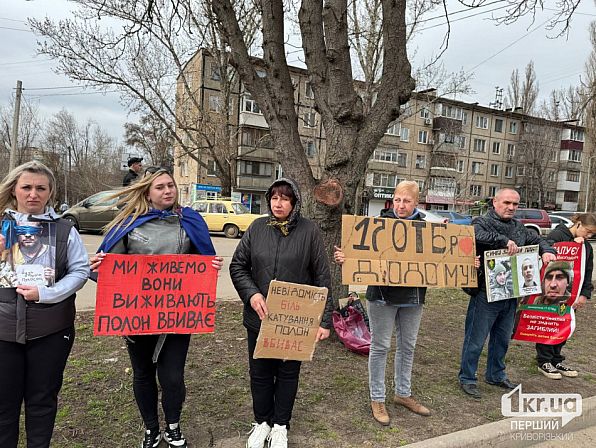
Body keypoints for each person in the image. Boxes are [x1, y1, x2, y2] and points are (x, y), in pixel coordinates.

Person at [90, 166, 223, 448]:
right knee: (143, 374)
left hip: (177, 313)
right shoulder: (128, 223)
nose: (167, 191)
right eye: (160, 187)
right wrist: (101, 266)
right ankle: (151, 428)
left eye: (171, 186)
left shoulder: (190, 221)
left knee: (172, 376)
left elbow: (202, 259)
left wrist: (209, 265)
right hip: (137, 314)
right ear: (148, 193)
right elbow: (112, 268)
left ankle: (173, 426)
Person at [229, 178, 333, 448]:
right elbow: (238, 266)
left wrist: (324, 319)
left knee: (288, 373)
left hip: (294, 321)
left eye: (285, 198)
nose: (278, 203)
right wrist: (252, 294)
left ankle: (280, 425)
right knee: (260, 372)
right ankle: (262, 422)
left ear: (294, 203)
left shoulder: (309, 232)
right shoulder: (256, 228)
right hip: (259, 317)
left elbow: (322, 275)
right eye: (274, 197)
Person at [0, 161, 89, 448]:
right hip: (2, 331)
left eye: (41, 188)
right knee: (3, 405)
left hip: (50, 330)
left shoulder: (64, 230)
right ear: (14, 189)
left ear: (50, 192)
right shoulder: (1, 228)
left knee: (42, 401)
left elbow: (80, 271)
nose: (33, 194)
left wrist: (46, 293)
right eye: (26, 187)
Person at [334, 181, 432, 426]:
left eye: (407, 201)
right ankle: (377, 398)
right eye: (398, 199)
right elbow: (359, 254)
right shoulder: (377, 225)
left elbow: (441, 261)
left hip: (413, 297)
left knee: (407, 346)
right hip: (382, 296)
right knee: (380, 347)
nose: (401, 205)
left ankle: (403, 393)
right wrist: (346, 258)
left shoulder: (427, 230)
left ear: (416, 203)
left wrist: (464, 263)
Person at [458, 188, 556, 399]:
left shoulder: (519, 228)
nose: (511, 207)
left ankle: (495, 374)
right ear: (495, 202)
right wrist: (502, 241)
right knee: (475, 339)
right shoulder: (481, 222)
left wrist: (548, 251)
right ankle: (467, 377)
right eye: (507, 203)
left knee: (502, 338)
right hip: (485, 293)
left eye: (515, 204)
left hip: (512, 292)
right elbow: (474, 235)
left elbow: (538, 240)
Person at [536, 214, 596, 380]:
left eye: (592, 234)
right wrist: (570, 246)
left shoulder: (586, 246)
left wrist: (584, 294)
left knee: (564, 326)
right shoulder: (557, 234)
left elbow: (587, 271)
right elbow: (547, 254)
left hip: (571, 295)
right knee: (549, 324)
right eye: (588, 231)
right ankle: (544, 361)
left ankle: (556, 359)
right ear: (578, 224)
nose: (589, 236)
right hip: (552, 293)